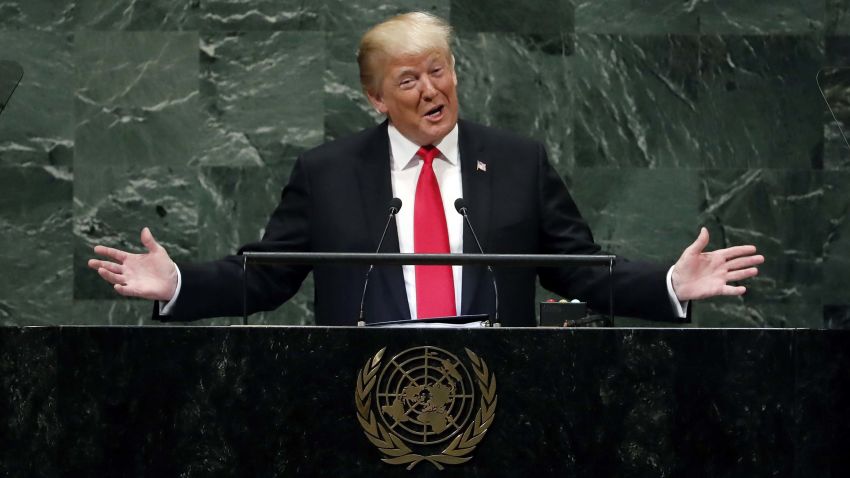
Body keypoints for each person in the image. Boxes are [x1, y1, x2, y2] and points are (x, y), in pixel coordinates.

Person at [88, 12, 763, 326]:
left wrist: (670, 283)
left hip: (502, 397)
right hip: (361, 397)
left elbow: (577, 268)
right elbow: (263, 278)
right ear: (376, 99)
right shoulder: (328, 172)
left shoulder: (518, 161)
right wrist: (177, 283)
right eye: (408, 80)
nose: (431, 90)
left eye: (439, 69)